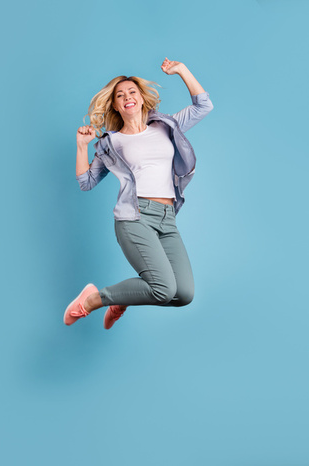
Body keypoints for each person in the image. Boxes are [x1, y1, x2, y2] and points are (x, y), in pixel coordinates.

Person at [64, 57, 213, 329]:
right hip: (135, 217)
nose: (127, 97)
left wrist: (181, 70)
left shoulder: (166, 126)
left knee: (184, 294)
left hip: (167, 219)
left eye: (132, 91)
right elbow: (86, 182)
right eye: (120, 95)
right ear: (115, 105)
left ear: (142, 98)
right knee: (163, 289)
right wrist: (81, 146)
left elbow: (203, 105)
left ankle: (123, 300)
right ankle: (95, 299)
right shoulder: (112, 142)